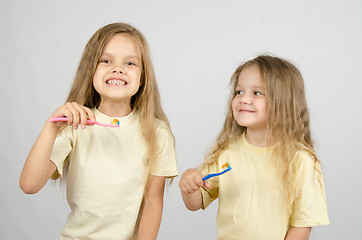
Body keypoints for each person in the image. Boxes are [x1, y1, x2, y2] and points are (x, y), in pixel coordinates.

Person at [20, 22, 178, 240]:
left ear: (142, 78)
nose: (118, 68)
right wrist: (51, 127)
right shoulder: (74, 126)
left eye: (130, 63)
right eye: (106, 60)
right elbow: (29, 185)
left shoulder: (158, 133)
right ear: (90, 70)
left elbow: (153, 202)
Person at [179, 55, 329, 240]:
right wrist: (188, 185)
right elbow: (195, 203)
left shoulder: (301, 159)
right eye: (239, 92)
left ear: (284, 102)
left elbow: (302, 226)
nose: (244, 99)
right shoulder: (226, 151)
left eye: (256, 93)